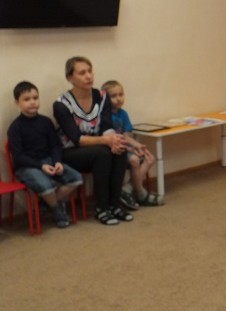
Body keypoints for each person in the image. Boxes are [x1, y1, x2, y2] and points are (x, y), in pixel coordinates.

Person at [53, 56, 133, 226]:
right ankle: (101, 208)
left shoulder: (102, 96)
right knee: (102, 153)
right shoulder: (61, 104)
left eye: (90, 71)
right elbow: (77, 139)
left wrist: (114, 141)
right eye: (82, 73)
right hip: (70, 152)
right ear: (70, 78)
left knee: (120, 150)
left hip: (99, 146)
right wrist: (106, 140)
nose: (88, 76)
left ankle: (115, 205)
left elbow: (107, 126)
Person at [8, 81, 83, 229]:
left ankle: (46, 203)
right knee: (47, 187)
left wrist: (57, 162)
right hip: (26, 166)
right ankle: (57, 211)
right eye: (27, 99)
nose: (32, 102)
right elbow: (18, 156)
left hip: (48, 161)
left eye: (35, 98)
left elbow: (55, 145)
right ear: (17, 103)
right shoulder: (15, 128)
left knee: (76, 178)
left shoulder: (46, 122)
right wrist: (41, 166)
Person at [101, 80, 163, 209]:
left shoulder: (123, 114)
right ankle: (141, 193)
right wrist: (130, 149)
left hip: (126, 147)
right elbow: (109, 139)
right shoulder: (104, 115)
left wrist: (138, 145)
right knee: (134, 160)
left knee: (149, 158)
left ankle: (126, 189)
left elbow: (126, 136)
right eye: (113, 96)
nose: (118, 99)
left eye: (121, 94)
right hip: (113, 149)